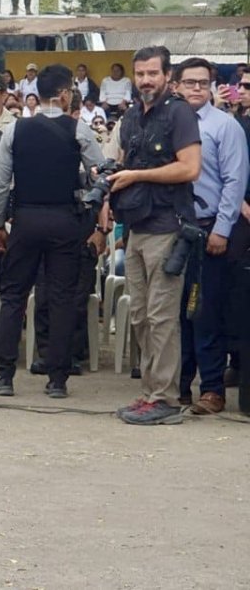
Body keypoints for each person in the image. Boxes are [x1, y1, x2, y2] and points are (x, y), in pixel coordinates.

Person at [0, 64, 104, 398]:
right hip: (65, 221)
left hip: (25, 220)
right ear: (65, 94)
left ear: (37, 94)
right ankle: (57, 379)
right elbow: (101, 175)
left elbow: (0, 185)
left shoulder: (15, 130)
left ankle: (4, 375)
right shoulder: (79, 130)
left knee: (13, 296)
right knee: (61, 298)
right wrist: (91, 210)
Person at [104, 46, 201, 425]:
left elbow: (190, 168)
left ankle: (165, 398)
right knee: (140, 316)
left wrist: (137, 176)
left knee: (162, 317)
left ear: (167, 76)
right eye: (140, 73)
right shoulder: (132, 115)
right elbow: (124, 163)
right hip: (137, 228)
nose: (146, 80)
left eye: (152, 73)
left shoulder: (179, 113)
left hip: (168, 227)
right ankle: (149, 393)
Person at [174, 57, 249, 414]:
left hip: (209, 229)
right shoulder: (168, 121)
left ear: (212, 87)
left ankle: (212, 389)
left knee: (205, 311)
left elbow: (235, 182)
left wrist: (221, 229)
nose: (196, 88)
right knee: (175, 313)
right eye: (190, 82)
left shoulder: (225, 126)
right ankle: (179, 387)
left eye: (203, 83)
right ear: (176, 85)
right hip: (171, 229)